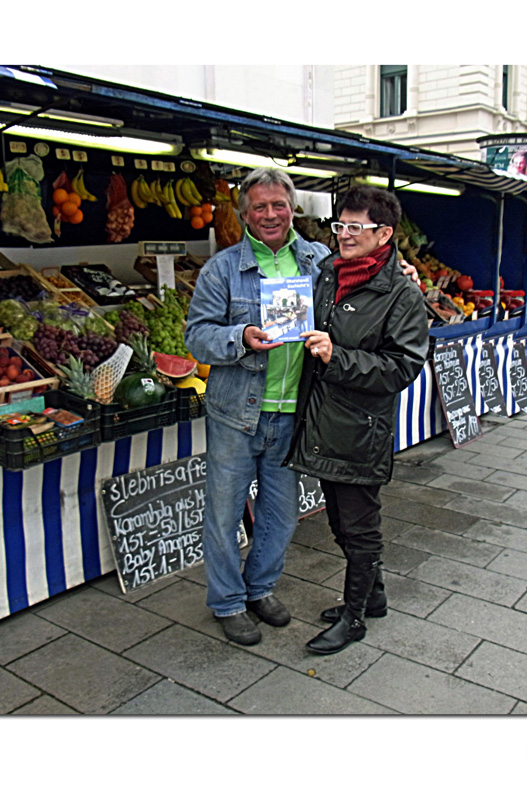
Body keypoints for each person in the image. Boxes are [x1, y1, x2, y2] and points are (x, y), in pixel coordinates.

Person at [184, 167, 331, 645]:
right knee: (224, 514)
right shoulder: (222, 268)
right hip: (235, 413)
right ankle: (227, 601)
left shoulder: (318, 261)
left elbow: (358, 301)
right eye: (260, 207)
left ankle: (260, 588)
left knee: (280, 514)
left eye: (279, 205)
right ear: (245, 214)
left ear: (293, 209)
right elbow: (197, 338)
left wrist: (400, 273)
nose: (270, 214)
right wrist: (240, 337)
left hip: (293, 413)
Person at [283, 185, 430, 655]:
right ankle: (375, 596)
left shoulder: (402, 294)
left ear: (384, 233)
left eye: (354, 227)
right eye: (339, 225)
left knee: (359, 525)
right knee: (342, 523)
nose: (343, 235)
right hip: (324, 419)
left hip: (361, 427)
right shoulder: (329, 271)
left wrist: (337, 357)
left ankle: (355, 617)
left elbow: (402, 366)